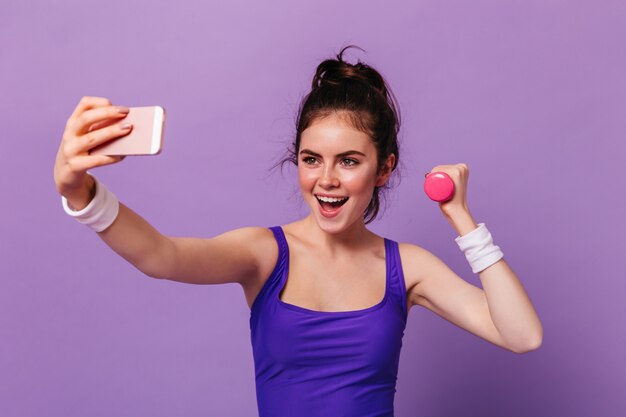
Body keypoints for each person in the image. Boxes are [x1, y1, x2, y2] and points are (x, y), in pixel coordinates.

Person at [53, 45, 543, 417]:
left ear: (384, 168)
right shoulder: (265, 253)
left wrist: (460, 217)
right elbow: (160, 256)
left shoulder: (407, 267)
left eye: (349, 161)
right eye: (312, 160)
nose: (326, 179)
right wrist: (80, 192)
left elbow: (521, 336)